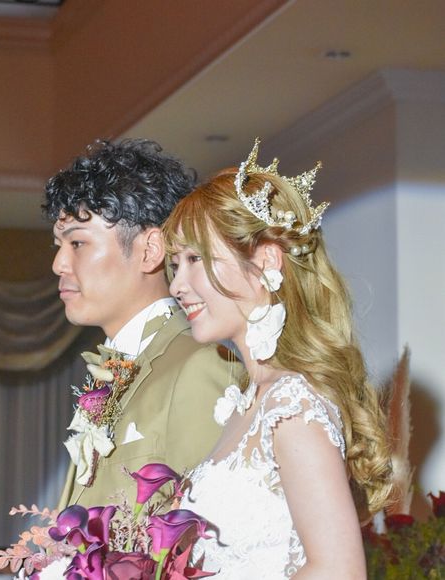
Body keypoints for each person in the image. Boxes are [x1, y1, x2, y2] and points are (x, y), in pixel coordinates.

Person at [163, 139, 393, 578]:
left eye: (195, 258)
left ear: (266, 259)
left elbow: (340, 571)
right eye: (177, 263)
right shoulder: (250, 402)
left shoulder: (292, 405)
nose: (177, 284)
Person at [43, 139, 239, 509]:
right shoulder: (111, 369)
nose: (59, 264)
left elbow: (212, 529)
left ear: (150, 250)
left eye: (77, 244)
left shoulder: (199, 367)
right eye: (59, 245)